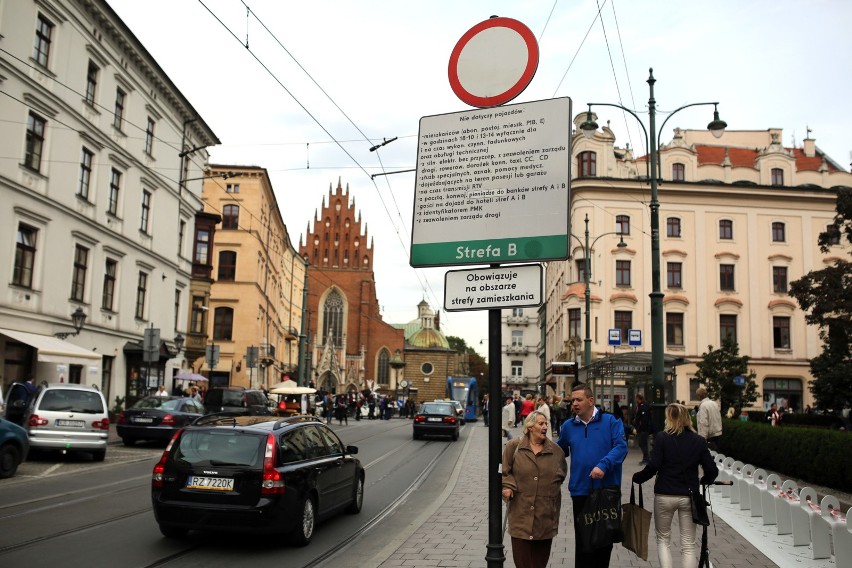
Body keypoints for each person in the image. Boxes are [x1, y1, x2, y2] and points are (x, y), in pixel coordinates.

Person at [633, 403, 719, 568]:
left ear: (669, 418)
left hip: (664, 494)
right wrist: (705, 480)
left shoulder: (662, 437)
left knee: (663, 539)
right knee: (688, 544)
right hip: (689, 496)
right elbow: (712, 470)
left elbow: (654, 465)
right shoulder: (699, 441)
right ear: (687, 418)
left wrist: (639, 478)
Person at [556, 383, 627, 568]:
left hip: (607, 492)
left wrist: (603, 465)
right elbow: (559, 451)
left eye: (578, 400)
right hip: (580, 491)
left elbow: (621, 448)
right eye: (572, 400)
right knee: (583, 543)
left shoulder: (610, 421)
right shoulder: (568, 426)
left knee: (604, 542)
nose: (574, 404)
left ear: (590, 400)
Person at [502, 410, 567, 568]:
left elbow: (562, 475)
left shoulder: (556, 451)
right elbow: (504, 472)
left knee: (539, 564)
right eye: (541, 423)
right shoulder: (514, 447)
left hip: (545, 517)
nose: (545, 427)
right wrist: (508, 486)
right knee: (522, 564)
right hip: (520, 515)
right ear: (530, 427)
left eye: (546, 424)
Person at [633, 392, 655, 465]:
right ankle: (646, 458)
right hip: (642, 429)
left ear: (638, 398)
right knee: (642, 443)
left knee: (643, 443)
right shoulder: (640, 406)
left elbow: (644, 419)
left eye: (636, 398)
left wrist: (639, 427)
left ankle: (646, 459)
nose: (635, 399)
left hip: (643, 429)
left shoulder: (644, 406)